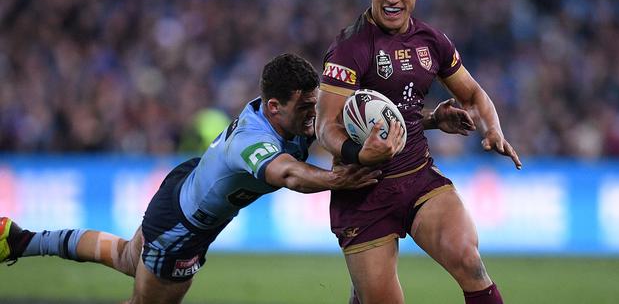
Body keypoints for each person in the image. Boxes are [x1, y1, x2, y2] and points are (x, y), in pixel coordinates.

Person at [0, 53, 386, 304]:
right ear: (273, 107)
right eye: (304, 108)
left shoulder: (289, 117)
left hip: (184, 186)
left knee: (125, 257)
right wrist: (338, 181)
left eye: (313, 105)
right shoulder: (252, 141)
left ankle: (21, 240)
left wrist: (431, 120)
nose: (311, 116)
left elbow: (350, 120)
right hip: (184, 228)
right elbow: (289, 175)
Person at [316, 0, 522, 304]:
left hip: (417, 177)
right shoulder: (349, 49)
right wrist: (358, 153)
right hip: (362, 191)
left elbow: (473, 95)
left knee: (469, 261)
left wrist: (492, 129)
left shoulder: (432, 41)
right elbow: (325, 126)